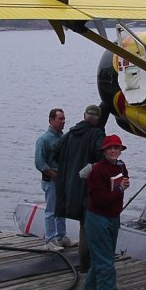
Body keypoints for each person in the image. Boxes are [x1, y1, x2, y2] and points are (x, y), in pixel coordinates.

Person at [82, 134, 130, 290]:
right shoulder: (97, 171)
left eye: (116, 148)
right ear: (103, 151)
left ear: (120, 150)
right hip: (97, 218)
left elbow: (123, 181)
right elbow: (101, 200)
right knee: (106, 263)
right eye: (110, 148)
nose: (113, 151)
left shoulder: (121, 165)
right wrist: (120, 189)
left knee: (101, 259)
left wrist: (124, 183)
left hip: (113, 217)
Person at [55, 103, 105, 272]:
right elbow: (101, 158)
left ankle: (85, 262)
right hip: (88, 187)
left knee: (83, 223)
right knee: (88, 225)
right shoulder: (97, 133)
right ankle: (86, 264)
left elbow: (55, 150)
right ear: (97, 120)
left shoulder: (71, 133)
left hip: (70, 186)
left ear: (84, 116)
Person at [35, 107, 71, 251]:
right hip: (51, 180)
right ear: (51, 120)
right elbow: (39, 163)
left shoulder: (63, 137)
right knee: (51, 210)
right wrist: (54, 175)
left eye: (64, 118)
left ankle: (61, 236)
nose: (63, 121)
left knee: (61, 208)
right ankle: (49, 240)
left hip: (62, 179)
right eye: (60, 119)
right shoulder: (43, 139)